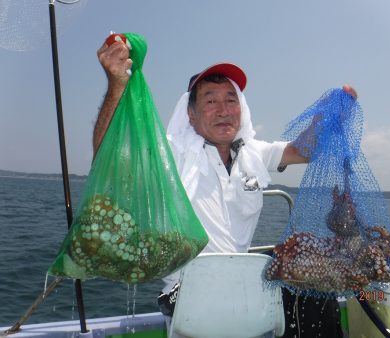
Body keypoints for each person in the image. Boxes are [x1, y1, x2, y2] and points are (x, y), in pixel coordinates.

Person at [95, 35, 357, 337]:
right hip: (190, 296)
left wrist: (330, 118)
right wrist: (116, 85)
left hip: (244, 287)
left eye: (231, 100)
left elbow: (304, 150)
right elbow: (106, 156)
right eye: (210, 101)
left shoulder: (252, 153)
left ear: (241, 108)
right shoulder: (170, 154)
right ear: (190, 115)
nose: (223, 109)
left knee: (314, 279)